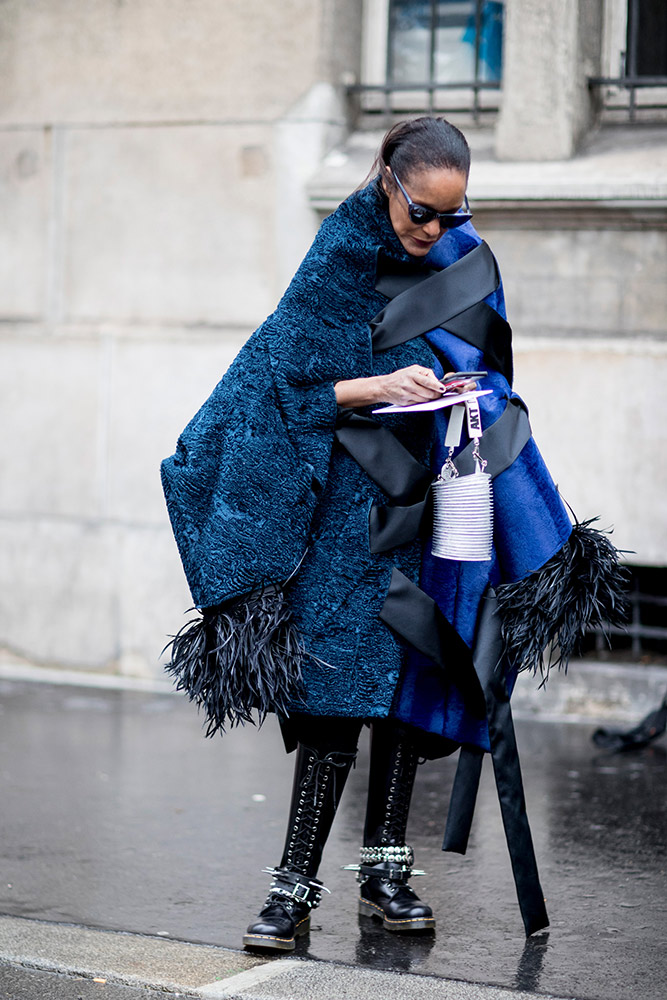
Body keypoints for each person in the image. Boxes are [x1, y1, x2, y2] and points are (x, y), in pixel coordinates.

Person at [161, 117, 627, 951]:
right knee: (336, 693)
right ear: (385, 178)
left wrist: (469, 399)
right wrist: (375, 383)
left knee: (414, 685)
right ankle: (292, 888)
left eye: (451, 215)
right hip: (350, 511)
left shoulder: (464, 260)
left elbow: (490, 370)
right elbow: (282, 383)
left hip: (439, 504)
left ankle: (385, 872)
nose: (433, 231)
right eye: (420, 212)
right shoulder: (338, 253)